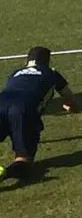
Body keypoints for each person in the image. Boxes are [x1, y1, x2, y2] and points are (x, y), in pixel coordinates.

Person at [0, 46, 78, 182]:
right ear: (48, 61)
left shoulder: (16, 72)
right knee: (24, 159)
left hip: (2, 103)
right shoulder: (51, 73)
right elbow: (69, 96)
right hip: (24, 109)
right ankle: (5, 174)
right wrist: (71, 106)